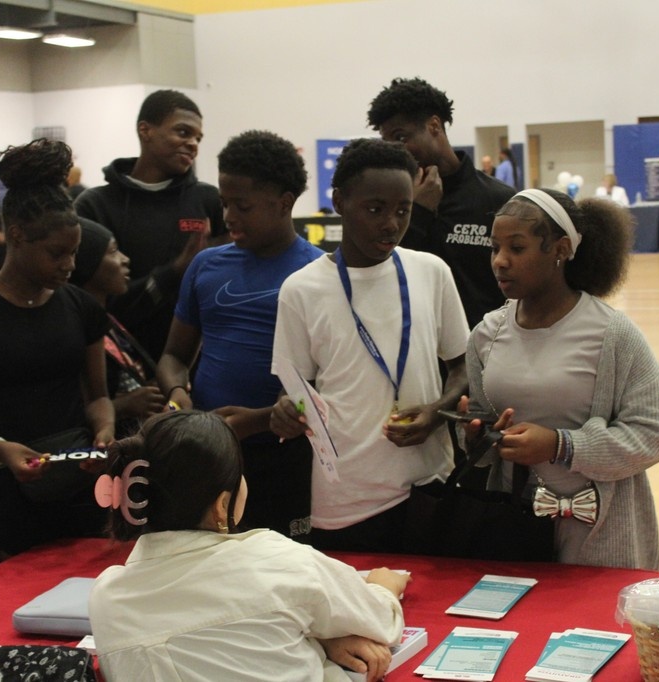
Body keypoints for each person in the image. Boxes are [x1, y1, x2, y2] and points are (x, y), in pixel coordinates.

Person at [89, 410, 408, 682]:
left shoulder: (107, 596)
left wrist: (321, 640)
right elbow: (379, 622)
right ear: (221, 505)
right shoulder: (274, 559)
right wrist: (384, 589)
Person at [270, 139, 469, 553]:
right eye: (375, 209)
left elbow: (464, 367)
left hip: (428, 481)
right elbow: (296, 389)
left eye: (403, 210)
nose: (391, 224)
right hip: (346, 495)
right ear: (340, 201)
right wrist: (289, 410)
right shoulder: (301, 289)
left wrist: (435, 412)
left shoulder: (431, 272)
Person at [461, 188, 659, 570]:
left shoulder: (613, 335)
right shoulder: (486, 334)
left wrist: (561, 446)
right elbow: (486, 437)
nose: (500, 262)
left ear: (559, 249)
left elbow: (653, 436)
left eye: (517, 248)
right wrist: (479, 438)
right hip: (515, 531)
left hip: (602, 536)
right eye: (495, 248)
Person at [0, 139, 114, 569]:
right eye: (56, 254)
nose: (69, 265)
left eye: (73, 252)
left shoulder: (82, 307)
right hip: (9, 501)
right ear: (16, 236)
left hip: (81, 496)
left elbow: (98, 396)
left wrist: (104, 433)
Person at [156, 130, 322, 538]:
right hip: (211, 455)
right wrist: (178, 398)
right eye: (224, 202)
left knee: (284, 572)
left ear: (284, 203)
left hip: (286, 456)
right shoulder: (206, 266)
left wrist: (261, 420)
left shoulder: (320, 274)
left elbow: (329, 384)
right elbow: (174, 357)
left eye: (242, 206)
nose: (227, 215)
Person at [75, 89, 228, 359]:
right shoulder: (95, 204)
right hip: (119, 363)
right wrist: (175, 271)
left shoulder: (209, 200)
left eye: (198, 138)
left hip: (197, 362)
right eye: (183, 132)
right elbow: (93, 301)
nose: (193, 144)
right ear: (145, 131)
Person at [367, 77, 514, 328]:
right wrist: (417, 212)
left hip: (488, 352)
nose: (395, 150)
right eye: (388, 142)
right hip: (415, 352)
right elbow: (382, 274)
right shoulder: (391, 205)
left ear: (434, 126)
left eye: (400, 137)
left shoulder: (499, 199)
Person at [70, 218, 163, 439]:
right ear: (87, 265)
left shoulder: (108, 318)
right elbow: (65, 412)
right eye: (112, 252)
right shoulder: (74, 329)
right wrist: (123, 406)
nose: (125, 260)